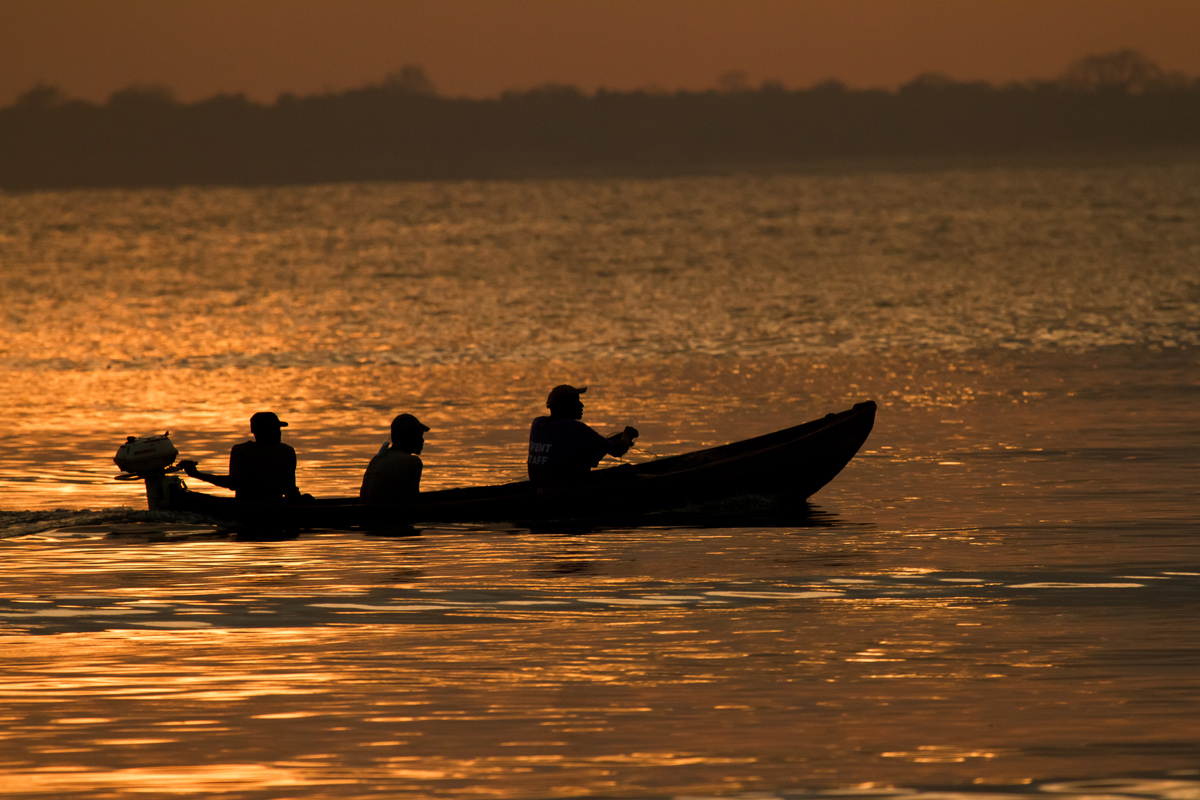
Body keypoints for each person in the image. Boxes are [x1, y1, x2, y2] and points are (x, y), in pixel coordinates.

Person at [527, 384, 638, 489]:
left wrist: (616, 439)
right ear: (566, 406)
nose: (581, 405)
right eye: (576, 401)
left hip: (539, 486)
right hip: (566, 489)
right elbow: (617, 450)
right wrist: (627, 436)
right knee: (627, 470)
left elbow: (592, 447)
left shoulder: (538, 423)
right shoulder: (574, 427)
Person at [180, 411, 302, 503]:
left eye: (278, 429)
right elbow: (290, 491)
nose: (279, 433)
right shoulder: (287, 451)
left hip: (248, 507)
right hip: (276, 508)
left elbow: (233, 483)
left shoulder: (241, 450)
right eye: (276, 429)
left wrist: (196, 474)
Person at [360, 413, 430, 504]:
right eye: (419, 435)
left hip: (365, 515)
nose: (422, 440)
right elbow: (412, 502)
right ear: (408, 437)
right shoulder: (413, 462)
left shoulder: (377, 458)